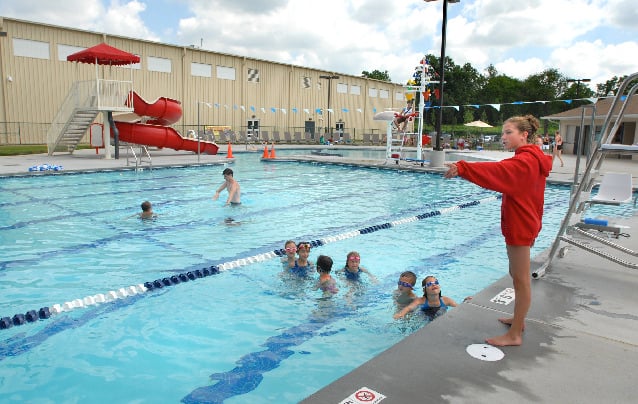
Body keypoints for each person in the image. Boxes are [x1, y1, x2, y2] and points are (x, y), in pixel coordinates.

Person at [443, 114, 552, 346]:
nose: (503, 137)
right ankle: (517, 319)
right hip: (525, 220)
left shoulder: (525, 161)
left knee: (521, 280)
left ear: (524, 134)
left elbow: (498, 172)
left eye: (508, 132)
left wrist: (462, 168)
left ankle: (515, 334)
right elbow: (503, 172)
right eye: (503, 132)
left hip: (521, 225)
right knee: (516, 274)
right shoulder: (530, 158)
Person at [393, 276, 458, 320]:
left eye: (436, 283)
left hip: (439, 318)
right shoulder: (420, 301)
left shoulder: (446, 300)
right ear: (424, 290)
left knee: (440, 313)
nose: (434, 285)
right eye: (429, 284)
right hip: (424, 318)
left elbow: (459, 307)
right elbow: (409, 307)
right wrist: (401, 314)